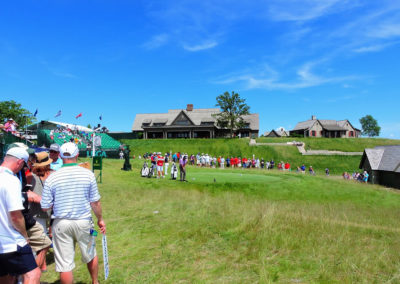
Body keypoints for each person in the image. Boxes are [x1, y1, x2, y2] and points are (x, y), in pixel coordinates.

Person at [41, 142, 106, 284]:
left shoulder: (52, 177)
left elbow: (45, 206)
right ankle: (95, 282)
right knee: (90, 253)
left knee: (65, 264)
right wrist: (100, 219)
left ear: (60, 156)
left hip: (60, 223)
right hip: (83, 221)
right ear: (77, 155)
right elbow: (95, 202)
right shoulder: (88, 175)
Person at [0, 147, 41, 284]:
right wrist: (25, 235)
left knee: (6, 277)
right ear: (19, 162)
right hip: (10, 240)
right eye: (24, 165)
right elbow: (15, 216)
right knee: (33, 274)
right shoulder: (11, 180)